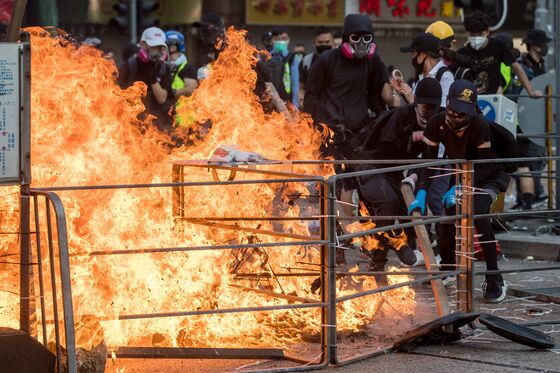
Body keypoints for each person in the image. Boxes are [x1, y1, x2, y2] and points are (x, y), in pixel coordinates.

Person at [409, 80, 509, 303]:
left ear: (472, 110)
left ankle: (494, 277)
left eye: (463, 113)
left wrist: (462, 186)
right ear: (447, 103)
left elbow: (483, 165)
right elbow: (429, 162)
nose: (456, 116)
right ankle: (448, 267)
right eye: (453, 110)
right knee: (448, 219)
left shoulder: (480, 125)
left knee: (477, 212)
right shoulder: (436, 124)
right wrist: (422, 191)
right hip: (460, 175)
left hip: (489, 175)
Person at [356, 78, 443, 280]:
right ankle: (379, 262)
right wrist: (413, 138)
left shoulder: (438, 120)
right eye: (424, 105)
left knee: (409, 213)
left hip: (395, 171)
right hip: (369, 164)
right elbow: (383, 147)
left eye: (433, 107)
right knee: (388, 203)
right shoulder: (400, 116)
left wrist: (417, 181)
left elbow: (429, 160)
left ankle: (406, 243)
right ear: (417, 103)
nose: (428, 110)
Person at [303, 13, 399, 164]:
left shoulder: (372, 61)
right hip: (329, 134)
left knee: (355, 180)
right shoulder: (327, 59)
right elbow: (311, 95)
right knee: (329, 179)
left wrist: (382, 124)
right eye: (355, 38)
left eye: (366, 38)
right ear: (346, 38)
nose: (361, 43)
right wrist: (309, 128)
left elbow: (375, 95)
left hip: (358, 134)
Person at [458, 11, 539, 96]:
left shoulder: (498, 46)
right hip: (469, 100)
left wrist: (530, 91)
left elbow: (516, 67)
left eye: (480, 34)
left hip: (493, 99)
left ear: (487, 32)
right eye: (472, 35)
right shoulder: (463, 53)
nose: (476, 38)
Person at [119, 27, 173, 131]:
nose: (158, 51)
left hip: (157, 127)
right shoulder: (130, 65)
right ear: (143, 45)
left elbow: (162, 99)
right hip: (132, 127)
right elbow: (119, 96)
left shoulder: (164, 68)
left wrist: (153, 79)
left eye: (160, 47)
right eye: (154, 47)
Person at [394, 32, 454, 108]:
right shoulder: (420, 75)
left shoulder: (445, 76)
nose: (412, 57)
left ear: (424, 54)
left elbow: (443, 110)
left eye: (413, 53)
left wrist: (413, 101)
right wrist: (405, 93)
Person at [261, 29, 300, 106]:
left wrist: (295, 106)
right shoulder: (265, 57)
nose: (280, 41)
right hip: (269, 101)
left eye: (283, 39)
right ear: (272, 41)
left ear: (288, 40)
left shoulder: (293, 58)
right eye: (277, 39)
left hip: (287, 101)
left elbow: (295, 85)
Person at [298, 26, 333, 107]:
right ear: (313, 43)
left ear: (332, 42)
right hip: (313, 109)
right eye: (320, 42)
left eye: (327, 42)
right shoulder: (306, 62)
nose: (324, 45)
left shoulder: (340, 61)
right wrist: (301, 99)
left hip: (335, 111)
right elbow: (302, 88)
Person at [165, 30, 196, 98]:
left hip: (183, 108)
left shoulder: (187, 68)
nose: (162, 50)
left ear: (173, 48)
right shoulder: (166, 67)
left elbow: (191, 89)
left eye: (164, 47)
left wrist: (172, 93)